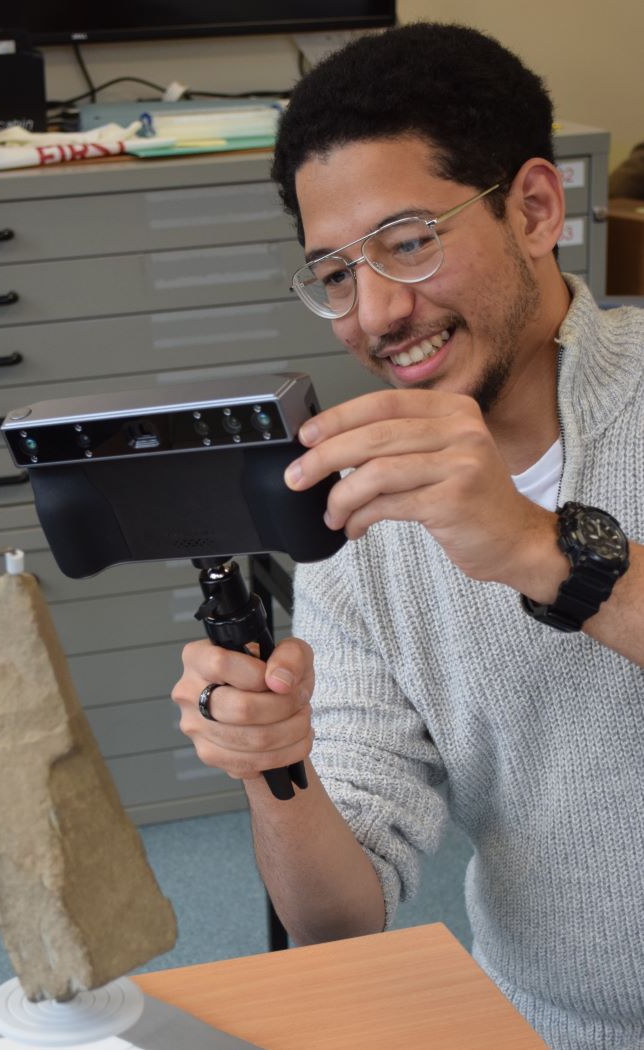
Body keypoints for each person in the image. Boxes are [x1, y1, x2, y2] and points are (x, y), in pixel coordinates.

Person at [172, 23, 644, 1050]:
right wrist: (275, 766)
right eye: (333, 273)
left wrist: (531, 545)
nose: (373, 313)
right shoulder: (362, 524)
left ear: (533, 208)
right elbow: (340, 916)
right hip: (551, 1028)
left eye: (409, 241)